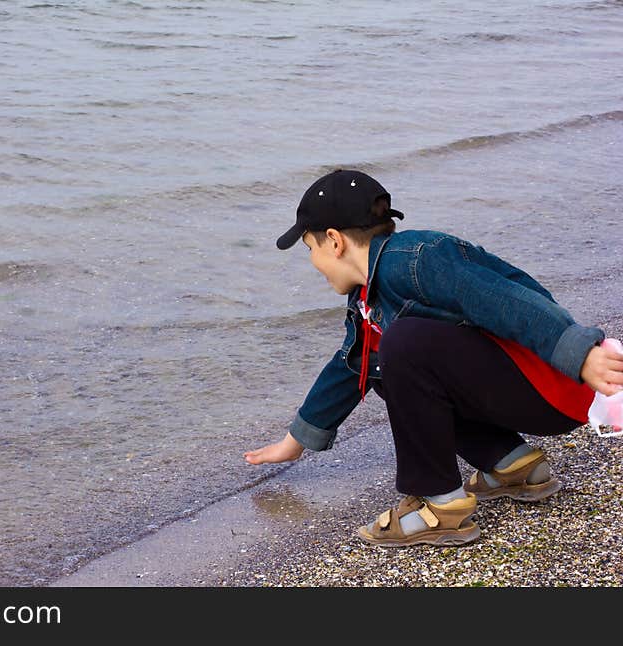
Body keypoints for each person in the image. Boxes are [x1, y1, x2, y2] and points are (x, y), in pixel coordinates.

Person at [243, 169, 623, 547]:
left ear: (334, 241)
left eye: (310, 249)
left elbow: (504, 300)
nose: (313, 262)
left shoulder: (415, 259)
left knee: (402, 344)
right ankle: (510, 462)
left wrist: (580, 353)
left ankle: (439, 504)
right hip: (533, 390)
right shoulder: (368, 294)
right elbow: (351, 365)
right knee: (380, 363)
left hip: (558, 382)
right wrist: (297, 439)